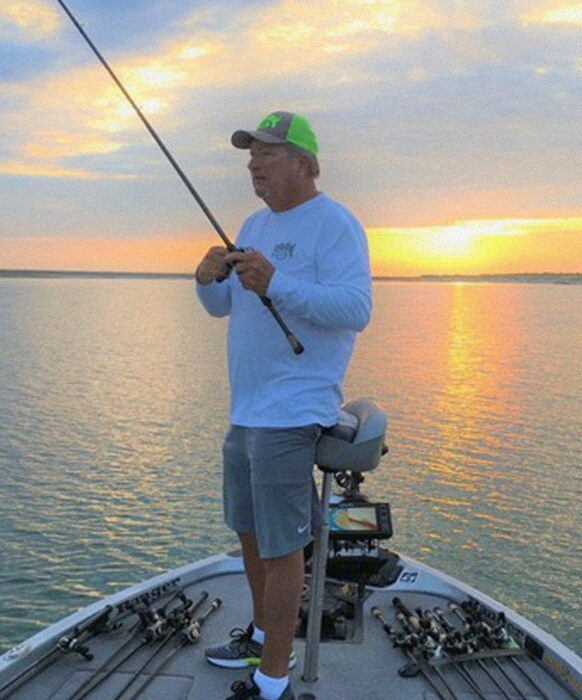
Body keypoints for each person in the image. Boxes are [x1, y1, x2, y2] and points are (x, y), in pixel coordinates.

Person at [195, 111, 372, 700]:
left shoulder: (335, 224)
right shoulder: (251, 222)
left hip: (293, 411)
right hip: (246, 411)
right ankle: (260, 635)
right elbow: (223, 308)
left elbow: (355, 309)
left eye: (266, 154)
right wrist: (206, 279)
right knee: (249, 535)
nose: (252, 164)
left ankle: (272, 681)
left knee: (282, 546)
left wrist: (277, 284)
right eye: (250, 155)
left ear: (302, 162)